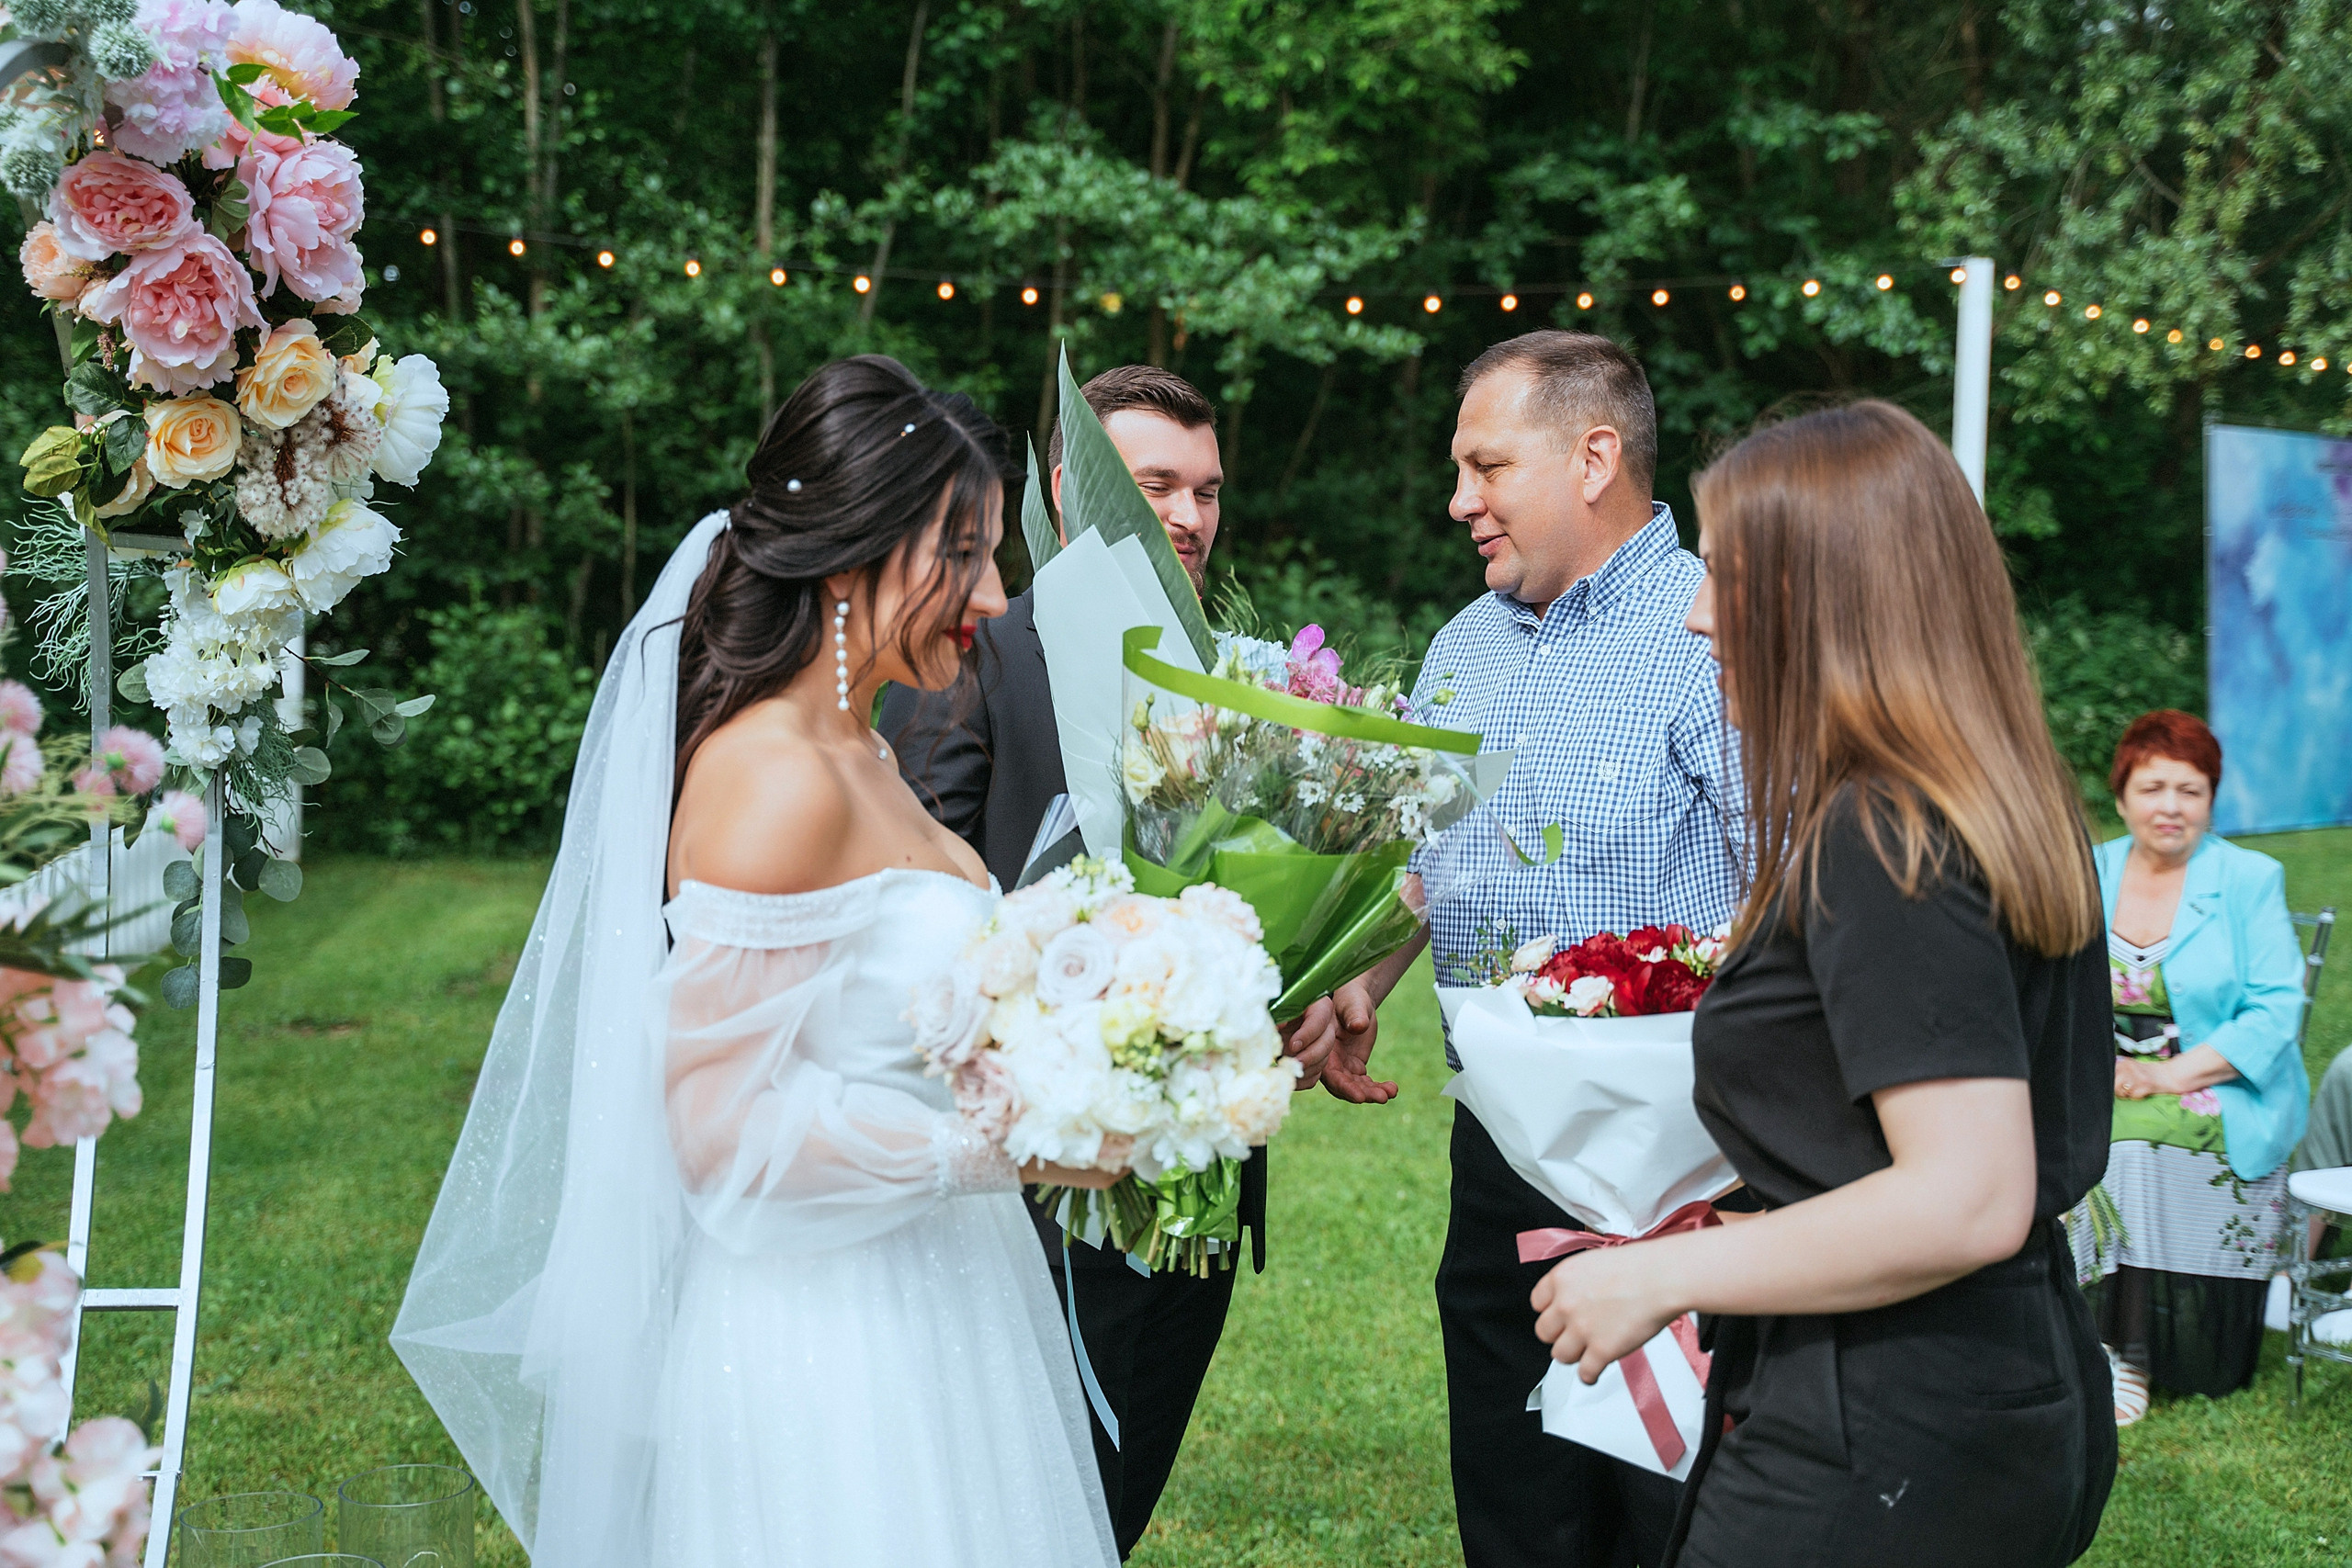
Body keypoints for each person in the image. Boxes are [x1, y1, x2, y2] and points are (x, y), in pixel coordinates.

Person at [392, 355, 1121, 1567]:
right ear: (852, 551)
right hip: (830, 1343)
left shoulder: (866, 754)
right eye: (962, 551)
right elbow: (722, 1135)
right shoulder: (774, 775)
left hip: (945, 1295)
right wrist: (1002, 1145)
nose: (993, 594)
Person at [1527, 400, 2116, 1568]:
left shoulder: (1883, 836)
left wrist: (1661, 1273)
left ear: (1830, 596)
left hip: (1883, 1423)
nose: (1697, 617)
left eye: (1730, 577)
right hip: (1991, 1382)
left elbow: (1964, 1195)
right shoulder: (1987, 798)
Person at [879, 364, 1367, 1559]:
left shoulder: (1241, 682)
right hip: (1034, 1189)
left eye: (1207, 489)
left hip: (1197, 1194)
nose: (1193, 517)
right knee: (1007, 1508)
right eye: (1157, 484)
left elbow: (1263, 909)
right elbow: (914, 925)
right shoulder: (975, 657)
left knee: (1109, 1511)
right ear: (1070, 488)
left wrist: (1291, 995)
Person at [1340, 331, 1741, 1568]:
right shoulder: (1463, 645)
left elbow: (1789, 891)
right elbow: (1430, 855)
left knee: (1665, 1508)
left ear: (1593, 457)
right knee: (1516, 1497)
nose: (1459, 499)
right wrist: (1361, 976)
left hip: (1685, 1174)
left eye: (1486, 465)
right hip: (1502, 1154)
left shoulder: (1711, 631)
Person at [2084, 709, 2307, 1423]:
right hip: (2103, 1072)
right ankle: (2071, 1334)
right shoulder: (2090, 870)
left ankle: (2133, 1350)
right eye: (2153, 788)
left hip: (2222, 1084)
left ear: (2212, 799)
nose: (2171, 807)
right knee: (2062, 1123)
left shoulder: (2248, 877)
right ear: (2121, 797)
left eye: (2191, 789)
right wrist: (2101, 1063)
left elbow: (2276, 1008)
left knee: (2131, 1138)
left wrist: (2169, 1075)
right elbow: (2050, 987)